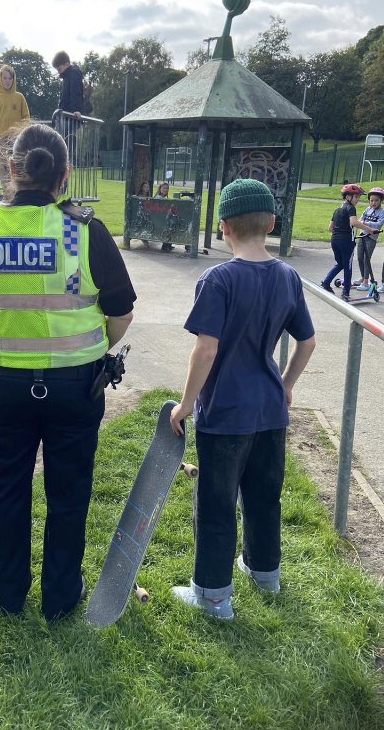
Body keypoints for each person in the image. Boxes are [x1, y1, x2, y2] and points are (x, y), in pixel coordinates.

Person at [0, 122, 136, 621]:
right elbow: (122, 312)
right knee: (69, 493)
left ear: (11, 169)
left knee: (7, 492)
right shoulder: (85, 230)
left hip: (0, 387)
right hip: (75, 389)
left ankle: (8, 596)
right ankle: (61, 600)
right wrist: (88, 348)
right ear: (64, 175)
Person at [169, 178, 316, 620]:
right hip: (270, 411)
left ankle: (213, 595)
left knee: (216, 505)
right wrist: (286, 384)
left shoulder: (217, 280)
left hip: (225, 416)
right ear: (271, 223)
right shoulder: (289, 277)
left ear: (223, 228)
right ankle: (264, 572)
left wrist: (185, 403)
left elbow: (206, 349)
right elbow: (306, 343)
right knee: (263, 496)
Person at [320, 184, 376, 301]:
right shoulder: (350, 208)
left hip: (334, 240)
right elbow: (354, 222)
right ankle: (345, 292)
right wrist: (370, 229)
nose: (358, 200)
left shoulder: (337, 210)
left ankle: (325, 283)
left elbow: (330, 227)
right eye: (356, 197)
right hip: (346, 242)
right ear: (348, 197)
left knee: (340, 264)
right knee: (347, 267)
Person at [0, 64, 30, 199]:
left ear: (13, 79)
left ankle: (20, 199)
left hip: (17, 141)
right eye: (4, 78)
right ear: (0, 79)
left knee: (19, 171)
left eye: (9, 78)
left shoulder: (19, 97)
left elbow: (26, 117)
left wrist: (22, 134)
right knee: (5, 173)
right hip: (1, 141)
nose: (7, 81)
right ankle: (8, 200)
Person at [51, 51, 84, 173]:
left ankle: (63, 173)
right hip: (64, 115)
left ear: (66, 64)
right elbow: (64, 98)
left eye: (59, 68)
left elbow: (76, 92)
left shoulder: (74, 73)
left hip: (70, 115)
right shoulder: (66, 77)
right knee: (60, 145)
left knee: (63, 145)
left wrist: (77, 110)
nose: (58, 71)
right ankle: (60, 172)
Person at [354, 187, 384, 290]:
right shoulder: (367, 209)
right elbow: (360, 219)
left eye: (376, 200)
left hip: (371, 238)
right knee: (359, 258)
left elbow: (379, 224)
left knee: (367, 259)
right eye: (371, 200)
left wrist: (366, 223)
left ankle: (366, 282)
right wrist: (362, 223)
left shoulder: (381, 212)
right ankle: (363, 277)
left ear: (381, 201)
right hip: (362, 236)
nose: (373, 203)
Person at [154, 181, 174, 251]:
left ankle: (168, 244)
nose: (165, 190)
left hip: (162, 218)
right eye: (164, 188)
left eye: (167, 188)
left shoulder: (162, 198)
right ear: (160, 189)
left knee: (173, 223)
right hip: (159, 219)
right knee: (171, 225)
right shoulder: (159, 198)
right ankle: (165, 245)